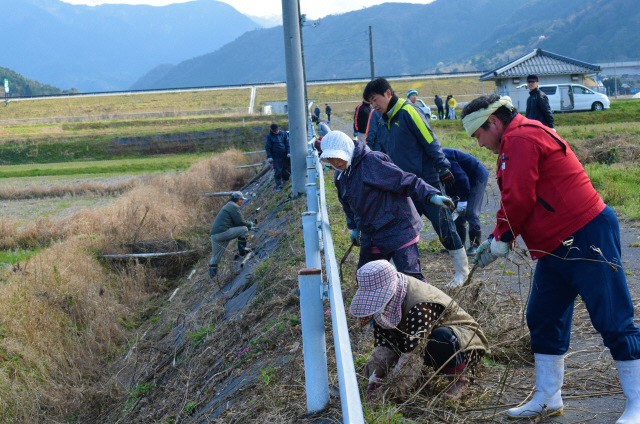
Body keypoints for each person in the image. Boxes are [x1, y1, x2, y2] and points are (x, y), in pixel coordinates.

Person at [461, 94, 640, 422]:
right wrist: (497, 236)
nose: (479, 143)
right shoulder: (517, 137)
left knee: (613, 318)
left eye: (478, 135)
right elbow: (518, 197)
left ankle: (637, 401)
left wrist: (502, 238)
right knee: (543, 315)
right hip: (555, 244)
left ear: (494, 123)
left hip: (586, 233)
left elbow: (519, 196)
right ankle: (548, 397)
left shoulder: (521, 138)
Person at [363, 77, 470, 288]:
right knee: (401, 230)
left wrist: (442, 166)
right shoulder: (385, 119)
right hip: (403, 186)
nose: (374, 106)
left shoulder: (408, 111)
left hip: (426, 182)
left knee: (444, 227)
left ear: (388, 94)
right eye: (370, 103)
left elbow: (429, 139)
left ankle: (462, 273)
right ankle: (399, 277)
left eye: (375, 99)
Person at [320, 130, 454, 281]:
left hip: (398, 228)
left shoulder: (371, 162)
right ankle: (387, 303)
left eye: (338, 157)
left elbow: (405, 181)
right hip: (372, 234)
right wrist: (355, 227)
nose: (336, 162)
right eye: (331, 159)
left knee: (411, 279)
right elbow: (348, 204)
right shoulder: (341, 176)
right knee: (367, 278)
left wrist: (431, 195)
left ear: (347, 150)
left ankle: (423, 304)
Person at [350, 260, 489, 401]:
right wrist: (375, 378)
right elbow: (385, 344)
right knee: (401, 339)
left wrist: (390, 389)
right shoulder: (390, 300)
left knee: (441, 338)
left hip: (465, 343)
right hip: (424, 338)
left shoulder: (419, 306)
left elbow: (413, 354)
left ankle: (459, 379)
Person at [443, 148, 489, 256]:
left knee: (471, 211)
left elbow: (462, 179)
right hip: (460, 180)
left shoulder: (443, 157)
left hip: (476, 176)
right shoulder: (426, 162)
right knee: (457, 213)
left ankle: (475, 246)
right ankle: (459, 245)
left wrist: (463, 200)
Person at [209, 191, 254, 278]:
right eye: (242, 199)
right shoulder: (233, 206)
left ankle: (213, 277)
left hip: (214, 235)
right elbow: (240, 222)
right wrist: (250, 224)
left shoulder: (228, 206)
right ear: (238, 199)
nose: (243, 201)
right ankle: (242, 251)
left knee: (216, 257)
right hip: (223, 233)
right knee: (244, 230)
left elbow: (234, 223)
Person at [265, 122, 291, 192]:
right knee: (278, 171)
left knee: (287, 168)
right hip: (276, 157)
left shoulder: (284, 134)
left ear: (279, 129)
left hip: (285, 155)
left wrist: (289, 152)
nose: (276, 132)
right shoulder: (269, 136)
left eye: (277, 130)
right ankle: (278, 185)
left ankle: (286, 180)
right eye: (275, 131)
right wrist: (269, 156)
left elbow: (287, 143)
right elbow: (268, 147)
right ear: (272, 130)